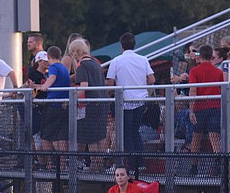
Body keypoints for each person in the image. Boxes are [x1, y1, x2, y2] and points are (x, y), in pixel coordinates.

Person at [106, 32, 155, 170]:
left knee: (127, 134)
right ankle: (141, 163)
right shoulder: (143, 59)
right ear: (134, 45)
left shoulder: (116, 61)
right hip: (140, 101)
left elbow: (110, 84)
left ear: (121, 46)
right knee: (135, 132)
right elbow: (152, 79)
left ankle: (132, 165)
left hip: (125, 102)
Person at [69, 39, 108, 171]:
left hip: (90, 104)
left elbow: (84, 86)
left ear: (75, 52)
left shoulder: (82, 65)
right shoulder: (95, 63)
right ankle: (100, 165)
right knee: (100, 136)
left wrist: (71, 97)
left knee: (91, 138)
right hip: (102, 102)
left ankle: (94, 166)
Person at [188, 45, 224, 173]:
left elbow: (193, 91)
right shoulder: (218, 72)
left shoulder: (194, 71)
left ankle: (194, 167)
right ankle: (219, 163)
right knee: (214, 137)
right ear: (211, 56)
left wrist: (191, 110)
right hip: (215, 106)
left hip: (200, 107)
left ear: (200, 56)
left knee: (196, 137)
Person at [37, 46, 71, 161]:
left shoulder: (53, 67)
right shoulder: (64, 68)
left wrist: (44, 87)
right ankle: (63, 164)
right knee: (62, 137)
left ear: (48, 56)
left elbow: (52, 77)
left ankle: (50, 164)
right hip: (64, 105)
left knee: (46, 137)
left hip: (52, 105)